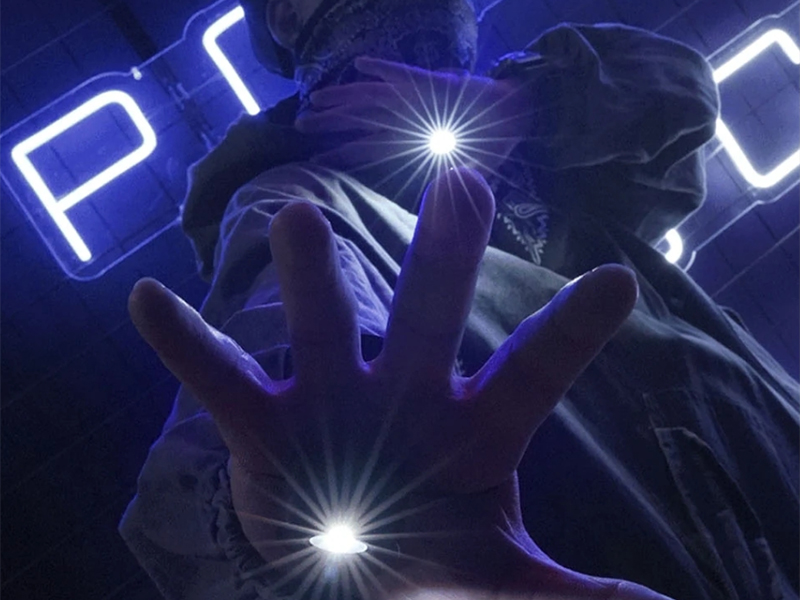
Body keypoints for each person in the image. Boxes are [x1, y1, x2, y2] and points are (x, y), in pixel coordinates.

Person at [119, 0, 800, 599]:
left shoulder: (546, 158)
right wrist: (285, 528)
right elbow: (250, 425)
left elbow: (680, 96)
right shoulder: (298, 202)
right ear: (286, 13)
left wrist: (524, 106)